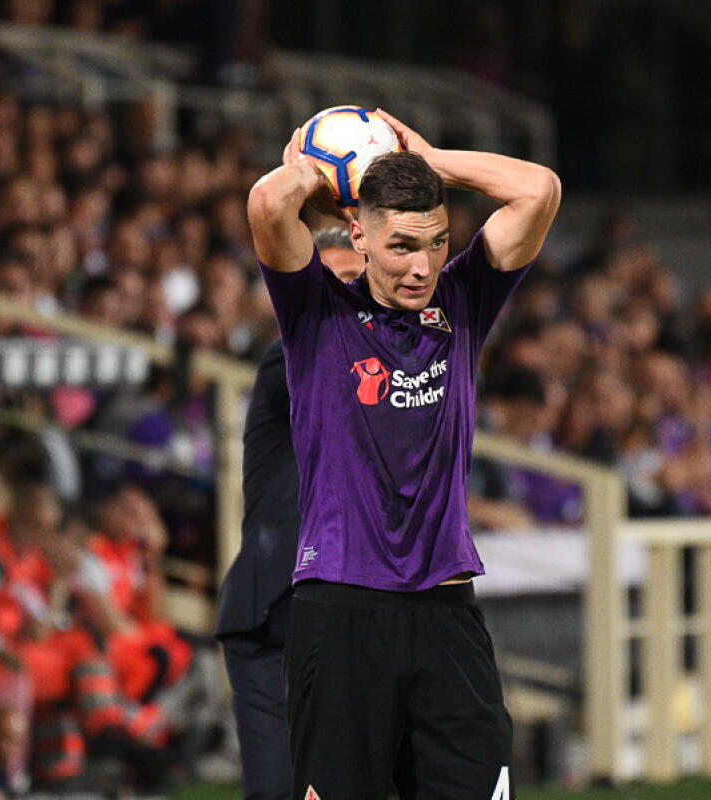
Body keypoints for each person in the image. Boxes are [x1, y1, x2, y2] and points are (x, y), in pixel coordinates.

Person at [246, 109, 560, 798]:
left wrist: (430, 159)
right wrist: (321, 169)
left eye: (437, 242)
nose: (422, 267)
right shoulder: (316, 316)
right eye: (401, 246)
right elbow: (269, 203)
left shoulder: (465, 300)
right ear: (356, 232)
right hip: (341, 611)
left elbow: (538, 189)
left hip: (446, 612)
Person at [215, 227, 363, 800]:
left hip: (358, 610)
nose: (338, 294)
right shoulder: (287, 360)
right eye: (323, 281)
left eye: (353, 280)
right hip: (276, 616)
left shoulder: (399, 374)